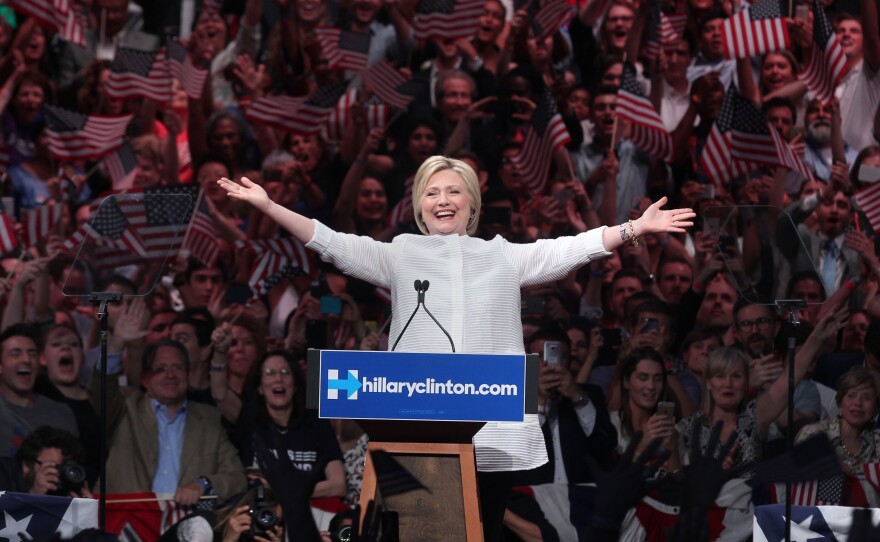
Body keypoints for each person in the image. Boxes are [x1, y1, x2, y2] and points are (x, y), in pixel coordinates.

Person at [217, 155, 696, 541]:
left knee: (481, 531)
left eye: (452, 190)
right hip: (417, 426)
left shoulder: (504, 255)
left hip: (488, 431)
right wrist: (268, 206)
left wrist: (636, 228)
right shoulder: (400, 253)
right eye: (431, 192)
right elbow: (332, 242)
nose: (441, 199)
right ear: (420, 207)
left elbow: (571, 248)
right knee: (421, 533)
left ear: (472, 203)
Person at [797, 368, 880, 506]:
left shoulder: (878, 440)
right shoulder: (812, 434)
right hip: (820, 517)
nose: (858, 403)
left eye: (867, 397)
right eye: (851, 395)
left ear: (876, 409)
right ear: (840, 403)